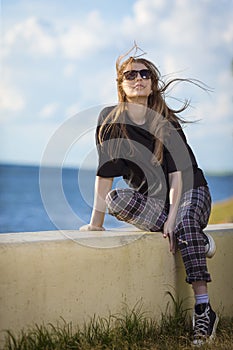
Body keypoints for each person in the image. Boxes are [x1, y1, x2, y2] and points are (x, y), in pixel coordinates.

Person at [80, 45, 218, 346]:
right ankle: (193, 236)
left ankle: (203, 309)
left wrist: (172, 217)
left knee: (181, 221)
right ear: (121, 83)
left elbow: (177, 174)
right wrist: (96, 223)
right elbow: (106, 172)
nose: (138, 78)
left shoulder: (166, 121)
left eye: (145, 74)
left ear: (152, 83)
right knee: (117, 198)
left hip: (191, 191)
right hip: (155, 204)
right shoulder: (111, 120)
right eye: (131, 74)